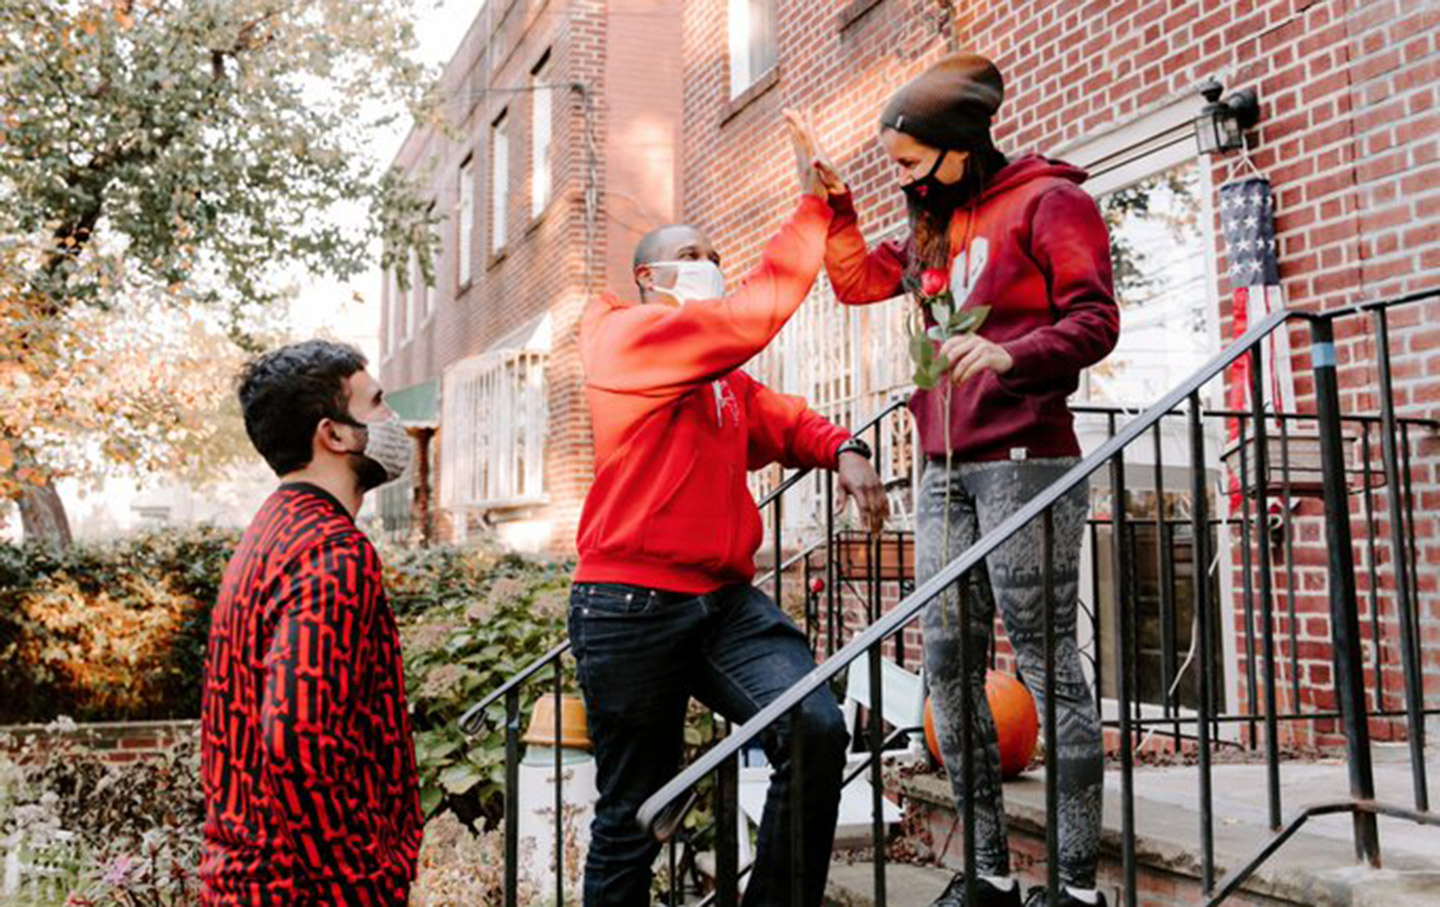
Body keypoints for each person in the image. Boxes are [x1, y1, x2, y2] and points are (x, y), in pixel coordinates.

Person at [785, 51, 1119, 907]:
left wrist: (1011, 351)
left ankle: (1076, 886)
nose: (902, 178)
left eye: (906, 161)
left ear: (959, 145)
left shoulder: (1051, 201)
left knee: (1046, 663)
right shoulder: (935, 228)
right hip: (939, 467)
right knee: (946, 666)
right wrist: (835, 201)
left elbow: (1095, 320)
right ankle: (988, 874)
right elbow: (857, 278)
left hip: (1023, 460)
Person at [572, 133, 890, 906]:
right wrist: (814, 209)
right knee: (631, 815)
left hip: (722, 605)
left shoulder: (718, 376)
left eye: (715, 251)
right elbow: (752, 315)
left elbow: (779, 419)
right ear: (650, 276)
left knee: (814, 729)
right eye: (693, 253)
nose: (709, 261)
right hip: (631, 605)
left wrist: (843, 446)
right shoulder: (623, 335)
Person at [199, 340, 423, 905]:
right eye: (377, 403)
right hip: (302, 892)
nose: (394, 420)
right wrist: (362, 886)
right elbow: (299, 738)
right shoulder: (331, 552)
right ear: (336, 434)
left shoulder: (269, 533)